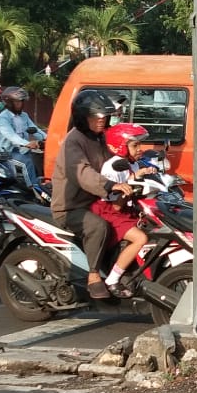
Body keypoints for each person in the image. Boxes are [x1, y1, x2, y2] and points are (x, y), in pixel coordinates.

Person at [50, 89, 120, 301]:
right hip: (70, 207)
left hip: (91, 200)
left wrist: (136, 167)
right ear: (82, 117)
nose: (101, 121)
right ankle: (93, 275)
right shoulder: (74, 140)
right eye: (95, 117)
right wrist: (108, 185)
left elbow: (112, 161)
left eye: (103, 116)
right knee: (98, 227)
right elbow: (81, 172)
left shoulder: (98, 138)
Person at [89, 123, 155, 297]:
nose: (140, 149)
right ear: (121, 146)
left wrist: (146, 174)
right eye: (135, 145)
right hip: (109, 210)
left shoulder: (131, 163)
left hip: (126, 209)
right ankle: (112, 279)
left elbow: (136, 180)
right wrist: (132, 184)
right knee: (140, 238)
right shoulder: (113, 167)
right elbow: (116, 204)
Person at [0, 86, 46, 186]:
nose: (21, 104)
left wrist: (47, 138)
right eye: (17, 102)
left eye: (22, 101)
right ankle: (34, 190)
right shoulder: (3, 118)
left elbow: (35, 129)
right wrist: (27, 143)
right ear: (9, 103)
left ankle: (42, 184)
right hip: (7, 153)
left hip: (22, 150)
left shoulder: (24, 116)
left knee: (40, 158)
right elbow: (11, 136)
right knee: (27, 162)